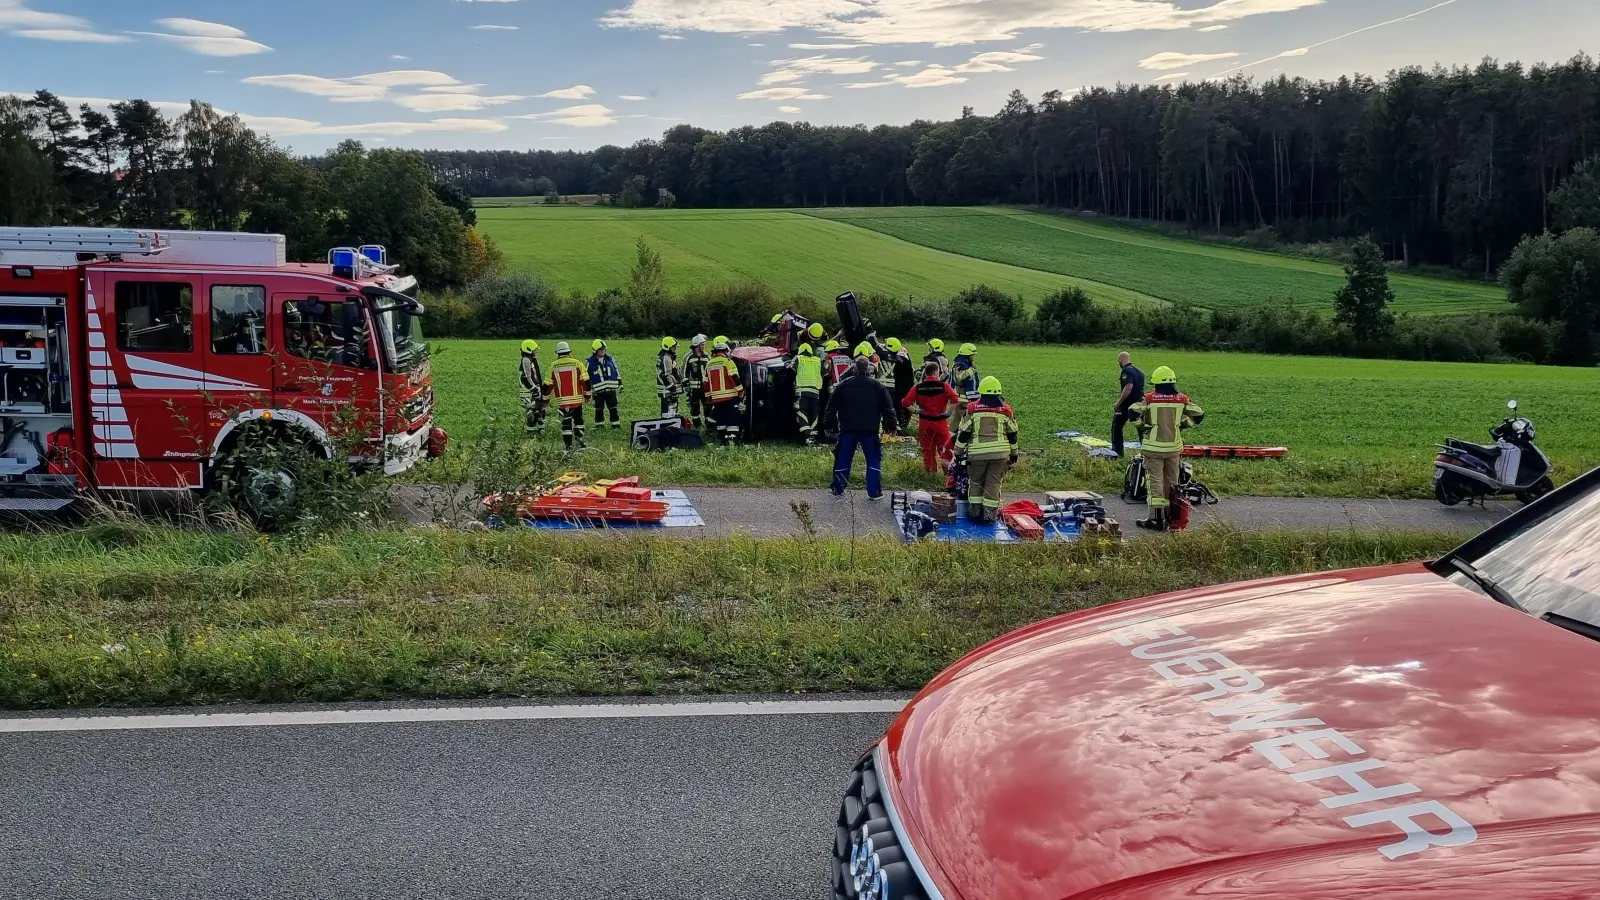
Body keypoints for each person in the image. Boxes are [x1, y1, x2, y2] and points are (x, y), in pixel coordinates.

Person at [1129, 366, 1205, 532]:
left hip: (1153, 448)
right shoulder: (1182, 399)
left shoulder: (1149, 398)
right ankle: (1173, 517)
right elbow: (1199, 414)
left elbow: (1133, 411)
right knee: (1173, 483)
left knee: (1155, 482)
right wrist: (1183, 425)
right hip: (1173, 449)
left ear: (1156, 383)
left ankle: (1155, 519)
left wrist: (1142, 427)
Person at [824, 354, 900, 500]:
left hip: (848, 429)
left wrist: (827, 423)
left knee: (843, 458)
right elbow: (888, 408)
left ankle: (838, 488)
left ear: (854, 368)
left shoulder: (844, 385)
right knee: (873, 460)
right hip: (870, 430)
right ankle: (874, 492)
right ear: (868, 369)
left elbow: (831, 406)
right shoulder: (877, 386)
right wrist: (891, 425)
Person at [954, 376, 1019, 525]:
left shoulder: (972, 409)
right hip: (1000, 455)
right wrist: (1014, 454)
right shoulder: (1005, 410)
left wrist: (957, 453)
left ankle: (974, 514)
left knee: (976, 482)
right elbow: (1013, 434)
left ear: (981, 392)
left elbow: (963, 433)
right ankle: (989, 517)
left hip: (977, 455)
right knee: (993, 483)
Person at [903, 362, 962, 473]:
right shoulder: (944, 386)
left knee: (927, 450)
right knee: (945, 450)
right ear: (936, 372)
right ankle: (948, 474)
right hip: (940, 422)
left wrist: (915, 411)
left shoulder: (918, 387)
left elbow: (905, 402)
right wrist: (948, 413)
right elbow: (955, 400)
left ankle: (930, 474)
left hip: (924, 422)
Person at [545, 341, 591, 450]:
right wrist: (588, 395)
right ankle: (580, 444)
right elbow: (586, 382)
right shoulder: (577, 363)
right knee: (579, 422)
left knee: (566, 425)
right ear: (569, 352)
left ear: (558, 354)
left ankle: (568, 447)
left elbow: (548, 385)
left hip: (563, 402)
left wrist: (545, 400)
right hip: (576, 401)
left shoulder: (553, 366)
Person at [703, 339, 745, 446]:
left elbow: (705, 383)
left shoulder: (709, 364)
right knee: (732, 417)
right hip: (730, 396)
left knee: (721, 418)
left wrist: (708, 398)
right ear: (726, 351)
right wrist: (740, 392)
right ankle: (733, 440)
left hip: (716, 399)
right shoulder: (728, 362)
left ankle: (722, 439)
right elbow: (734, 377)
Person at [1112, 351, 1145, 458]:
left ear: (1121, 360)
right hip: (1140, 404)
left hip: (1127, 405)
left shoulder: (1126, 371)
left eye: (1118, 361)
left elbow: (1128, 387)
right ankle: (1146, 452)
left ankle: (1117, 452)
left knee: (1117, 427)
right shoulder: (1139, 371)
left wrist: (1119, 403)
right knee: (1142, 429)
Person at [792, 343, 825, 444]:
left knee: (801, 410)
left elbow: (791, 368)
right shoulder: (818, 360)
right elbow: (825, 372)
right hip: (815, 391)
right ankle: (814, 435)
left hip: (802, 390)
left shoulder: (798, 358)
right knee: (814, 412)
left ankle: (807, 434)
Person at [587, 339, 623, 431]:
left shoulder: (610, 359)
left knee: (613, 407)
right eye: (600, 349)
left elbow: (616, 370)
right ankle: (599, 425)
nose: (603, 351)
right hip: (598, 391)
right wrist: (589, 389)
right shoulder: (590, 362)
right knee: (599, 408)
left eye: (604, 349)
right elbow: (587, 377)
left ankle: (615, 425)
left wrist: (620, 382)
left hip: (611, 389)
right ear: (595, 350)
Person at [948, 343, 981, 436]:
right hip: (965, 400)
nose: (974, 357)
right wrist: (971, 371)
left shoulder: (963, 363)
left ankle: (949, 441)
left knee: (956, 423)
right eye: (973, 355)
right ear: (968, 354)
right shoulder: (961, 365)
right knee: (967, 423)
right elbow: (958, 378)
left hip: (963, 399)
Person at [680, 334, 711, 428]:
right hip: (693, 389)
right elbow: (683, 371)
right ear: (696, 345)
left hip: (705, 388)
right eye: (702, 344)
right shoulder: (688, 357)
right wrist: (686, 384)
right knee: (695, 407)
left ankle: (708, 425)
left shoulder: (707, 356)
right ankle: (697, 425)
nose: (704, 346)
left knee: (708, 406)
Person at [886, 338, 917, 431]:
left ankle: (898, 427)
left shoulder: (897, 358)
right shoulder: (904, 354)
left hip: (900, 387)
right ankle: (901, 426)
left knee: (897, 407)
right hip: (908, 386)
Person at [518, 339, 546, 434]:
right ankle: (531, 432)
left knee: (539, 409)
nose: (536, 352)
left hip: (533, 390)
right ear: (528, 350)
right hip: (528, 392)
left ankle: (538, 429)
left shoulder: (531, 360)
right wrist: (534, 389)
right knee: (532, 411)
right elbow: (527, 377)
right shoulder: (526, 360)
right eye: (534, 350)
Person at [657, 336, 681, 417]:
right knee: (668, 411)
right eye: (673, 347)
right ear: (668, 347)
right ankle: (667, 426)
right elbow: (666, 375)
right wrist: (673, 389)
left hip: (667, 389)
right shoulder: (666, 358)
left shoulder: (666, 356)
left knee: (672, 410)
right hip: (667, 390)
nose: (675, 348)